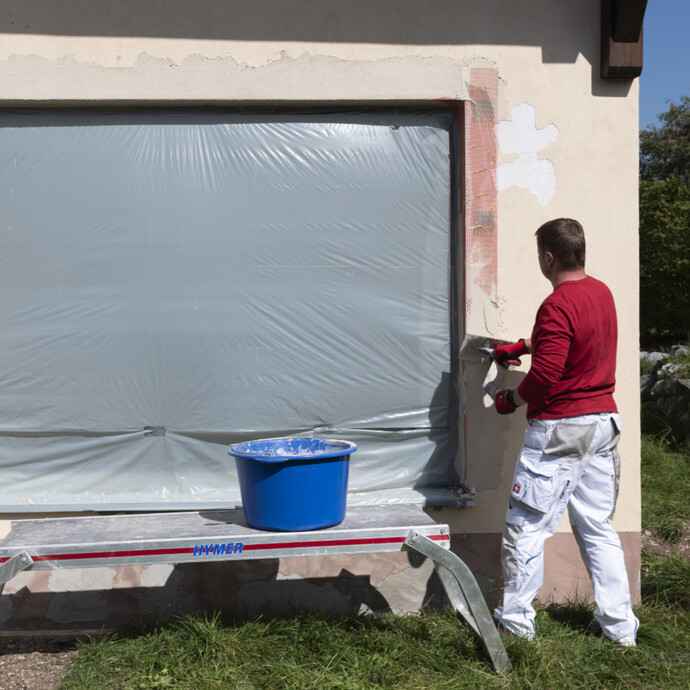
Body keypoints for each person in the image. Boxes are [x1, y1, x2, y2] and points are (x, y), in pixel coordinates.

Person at [490, 218, 638, 647]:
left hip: (561, 429)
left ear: (548, 257)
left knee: (527, 524)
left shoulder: (556, 303)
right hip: (602, 425)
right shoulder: (601, 292)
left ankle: (515, 625)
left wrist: (511, 400)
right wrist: (521, 346)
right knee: (596, 526)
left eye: (539, 256)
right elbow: (574, 339)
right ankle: (619, 628)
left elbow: (549, 372)